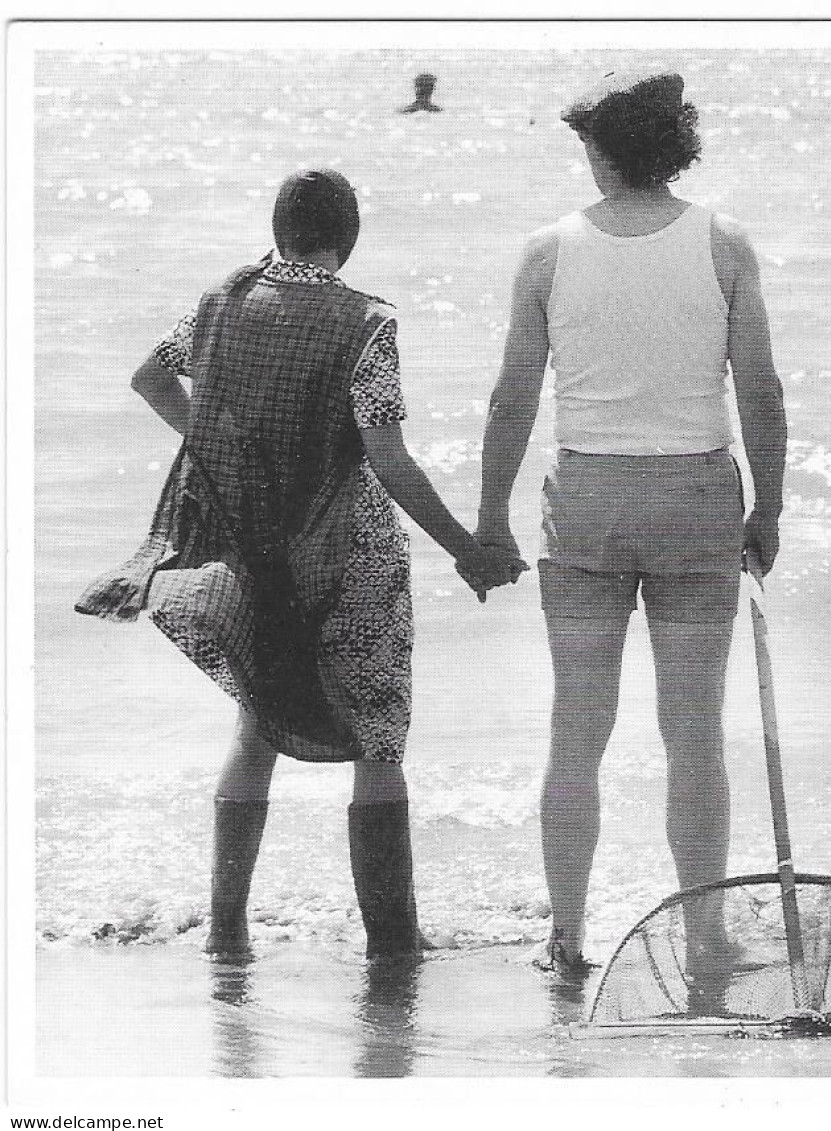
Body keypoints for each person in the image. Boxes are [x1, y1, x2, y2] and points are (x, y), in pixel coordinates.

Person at [76, 168, 520, 960]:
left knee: (257, 721)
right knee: (379, 736)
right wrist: (468, 549)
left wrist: (221, 448)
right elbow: (385, 455)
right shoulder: (366, 322)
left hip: (255, 540)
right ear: (346, 241)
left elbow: (150, 376)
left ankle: (227, 932)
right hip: (349, 552)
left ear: (276, 228)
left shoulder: (221, 303)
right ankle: (392, 943)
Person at [476, 68, 787, 982]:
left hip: (588, 503)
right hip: (694, 497)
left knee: (577, 725)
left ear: (608, 148)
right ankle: (705, 935)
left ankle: (567, 936)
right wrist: (768, 505)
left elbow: (511, 397)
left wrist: (491, 519)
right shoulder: (723, 243)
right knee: (693, 729)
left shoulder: (548, 250)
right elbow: (759, 389)